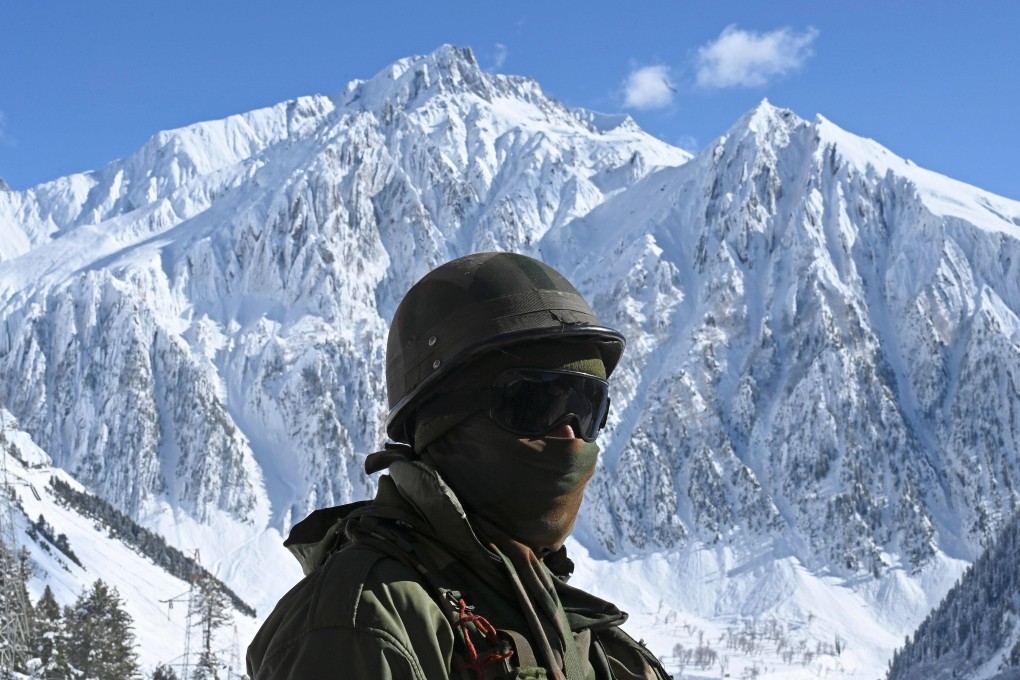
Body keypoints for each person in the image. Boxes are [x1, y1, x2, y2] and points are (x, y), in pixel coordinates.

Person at [247, 252, 671, 679]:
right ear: (443, 422)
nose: (570, 437)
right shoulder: (364, 620)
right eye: (535, 403)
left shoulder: (576, 631)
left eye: (587, 410)